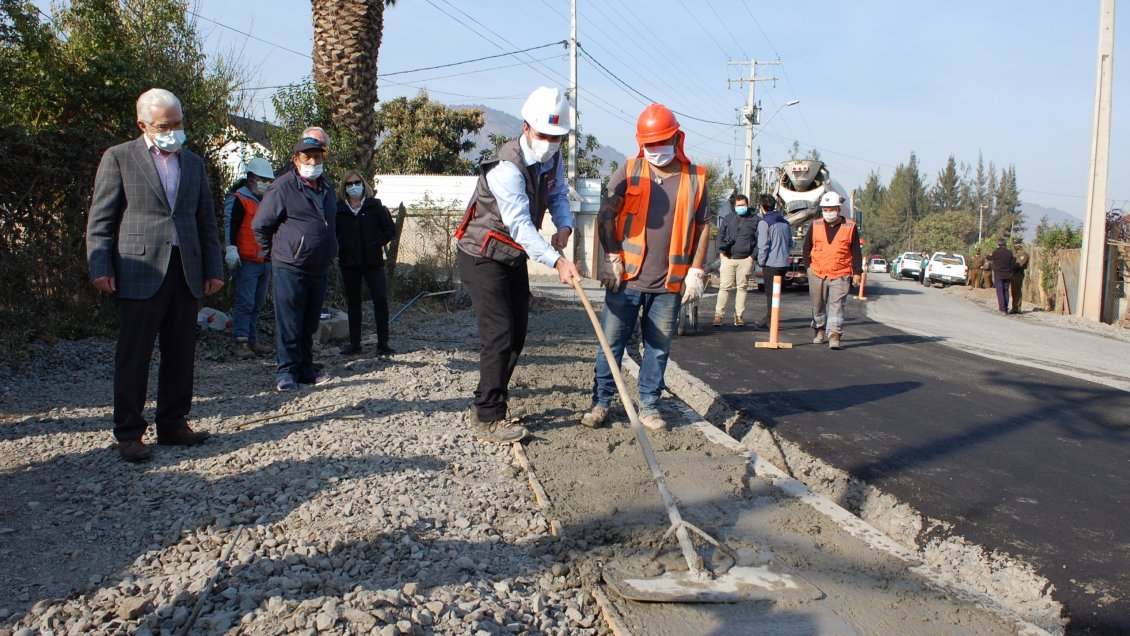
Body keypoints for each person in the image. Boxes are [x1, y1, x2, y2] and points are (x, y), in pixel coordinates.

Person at [86, 88, 223, 462]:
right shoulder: (119, 158)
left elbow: (205, 220)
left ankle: (173, 424)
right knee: (135, 355)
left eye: (178, 123)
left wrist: (213, 268)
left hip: (186, 271)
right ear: (143, 124)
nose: (174, 131)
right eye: (165, 125)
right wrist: (100, 266)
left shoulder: (192, 163)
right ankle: (129, 432)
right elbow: (101, 219)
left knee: (181, 352)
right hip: (138, 269)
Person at [453, 86, 581, 444]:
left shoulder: (552, 158)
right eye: (544, 135)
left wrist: (565, 225)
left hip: (510, 257)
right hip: (481, 256)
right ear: (526, 127)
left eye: (558, 137)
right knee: (499, 334)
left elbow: (556, 195)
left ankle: (493, 400)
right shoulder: (505, 167)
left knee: (518, 335)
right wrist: (557, 262)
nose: (551, 142)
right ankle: (488, 418)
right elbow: (522, 226)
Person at [581, 103, 711, 431]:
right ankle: (601, 402)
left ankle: (650, 406)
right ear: (641, 142)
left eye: (661, 142)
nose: (655, 150)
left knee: (658, 347)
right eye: (649, 144)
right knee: (611, 343)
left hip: (668, 283)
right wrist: (611, 257)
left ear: (676, 137)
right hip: (626, 279)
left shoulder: (695, 178)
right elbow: (605, 214)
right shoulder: (629, 170)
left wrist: (696, 271)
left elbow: (704, 224)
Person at [252, 136, 339, 391]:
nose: (313, 161)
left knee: (309, 323)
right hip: (290, 266)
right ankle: (286, 372)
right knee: (290, 322)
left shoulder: (327, 188)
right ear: (296, 159)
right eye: (307, 157)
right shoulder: (283, 187)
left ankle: (305, 369)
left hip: (319, 266)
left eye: (318, 157)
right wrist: (277, 253)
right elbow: (260, 225)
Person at [335, 170, 396, 356]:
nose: (354, 186)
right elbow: (332, 233)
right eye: (349, 183)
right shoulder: (338, 210)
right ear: (344, 187)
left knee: (380, 300)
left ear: (363, 184)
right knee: (353, 303)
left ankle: (383, 343)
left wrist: (376, 241)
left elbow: (390, 230)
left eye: (357, 182)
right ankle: (355, 343)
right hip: (349, 263)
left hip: (373, 262)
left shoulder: (375, 207)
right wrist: (340, 248)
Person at [224, 157, 275, 359]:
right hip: (246, 260)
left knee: (257, 302)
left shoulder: (264, 201)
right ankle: (241, 341)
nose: (267, 184)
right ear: (252, 178)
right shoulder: (238, 199)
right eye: (264, 179)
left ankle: (250, 340)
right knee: (245, 301)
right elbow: (231, 225)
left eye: (269, 180)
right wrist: (230, 249)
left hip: (263, 260)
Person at [804, 191, 862, 350]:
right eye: (825, 209)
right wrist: (809, 267)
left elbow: (856, 251)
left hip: (840, 273)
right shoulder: (815, 225)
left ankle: (834, 335)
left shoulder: (850, 227)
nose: (828, 213)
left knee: (837, 306)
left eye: (831, 209)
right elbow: (806, 247)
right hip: (817, 272)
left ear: (838, 209)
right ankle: (819, 329)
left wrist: (857, 272)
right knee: (817, 305)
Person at [713, 194, 758, 327]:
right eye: (738, 205)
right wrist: (721, 252)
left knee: (742, 288)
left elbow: (759, 240)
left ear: (747, 204)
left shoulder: (755, 220)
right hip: (728, 258)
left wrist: (752, 257)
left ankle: (739, 316)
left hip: (745, 259)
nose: (741, 208)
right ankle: (718, 315)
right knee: (724, 287)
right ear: (734, 206)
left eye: (743, 205)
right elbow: (720, 235)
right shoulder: (729, 218)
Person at [756, 193, 794, 327]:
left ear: (762, 207)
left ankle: (770, 319)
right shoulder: (785, 222)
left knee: (770, 293)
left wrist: (761, 261)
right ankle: (771, 318)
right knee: (776, 293)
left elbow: (763, 245)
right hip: (784, 263)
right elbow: (790, 243)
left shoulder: (764, 222)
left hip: (770, 264)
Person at [986, 237, 1015, 315]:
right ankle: (1005, 308)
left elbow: (989, 258)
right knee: (1006, 291)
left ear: (998, 245)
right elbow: (1012, 261)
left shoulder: (996, 252)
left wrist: (988, 254)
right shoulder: (1010, 252)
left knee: (1000, 291)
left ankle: (1002, 309)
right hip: (1008, 274)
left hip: (999, 274)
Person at [1010, 236, 1029, 313]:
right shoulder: (1014, 253)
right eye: (1014, 244)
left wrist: (1010, 267)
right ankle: (1014, 307)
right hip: (1013, 273)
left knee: (1017, 291)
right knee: (1013, 291)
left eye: (1017, 244)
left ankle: (1017, 308)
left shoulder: (1023, 254)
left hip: (1018, 273)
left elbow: (1019, 264)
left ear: (1020, 244)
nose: (1016, 245)